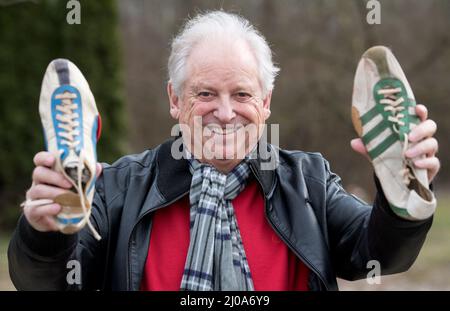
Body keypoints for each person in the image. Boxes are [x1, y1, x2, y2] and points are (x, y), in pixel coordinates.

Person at [8, 11, 440, 291]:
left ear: (266, 103)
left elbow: (380, 256)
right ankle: (67, 197)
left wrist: (399, 204)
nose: (226, 112)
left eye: (242, 94)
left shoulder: (306, 181)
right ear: (174, 101)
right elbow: (45, 283)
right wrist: (45, 232)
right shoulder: (118, 187)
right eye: (205, 93)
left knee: (401, 203)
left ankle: (402, 181)